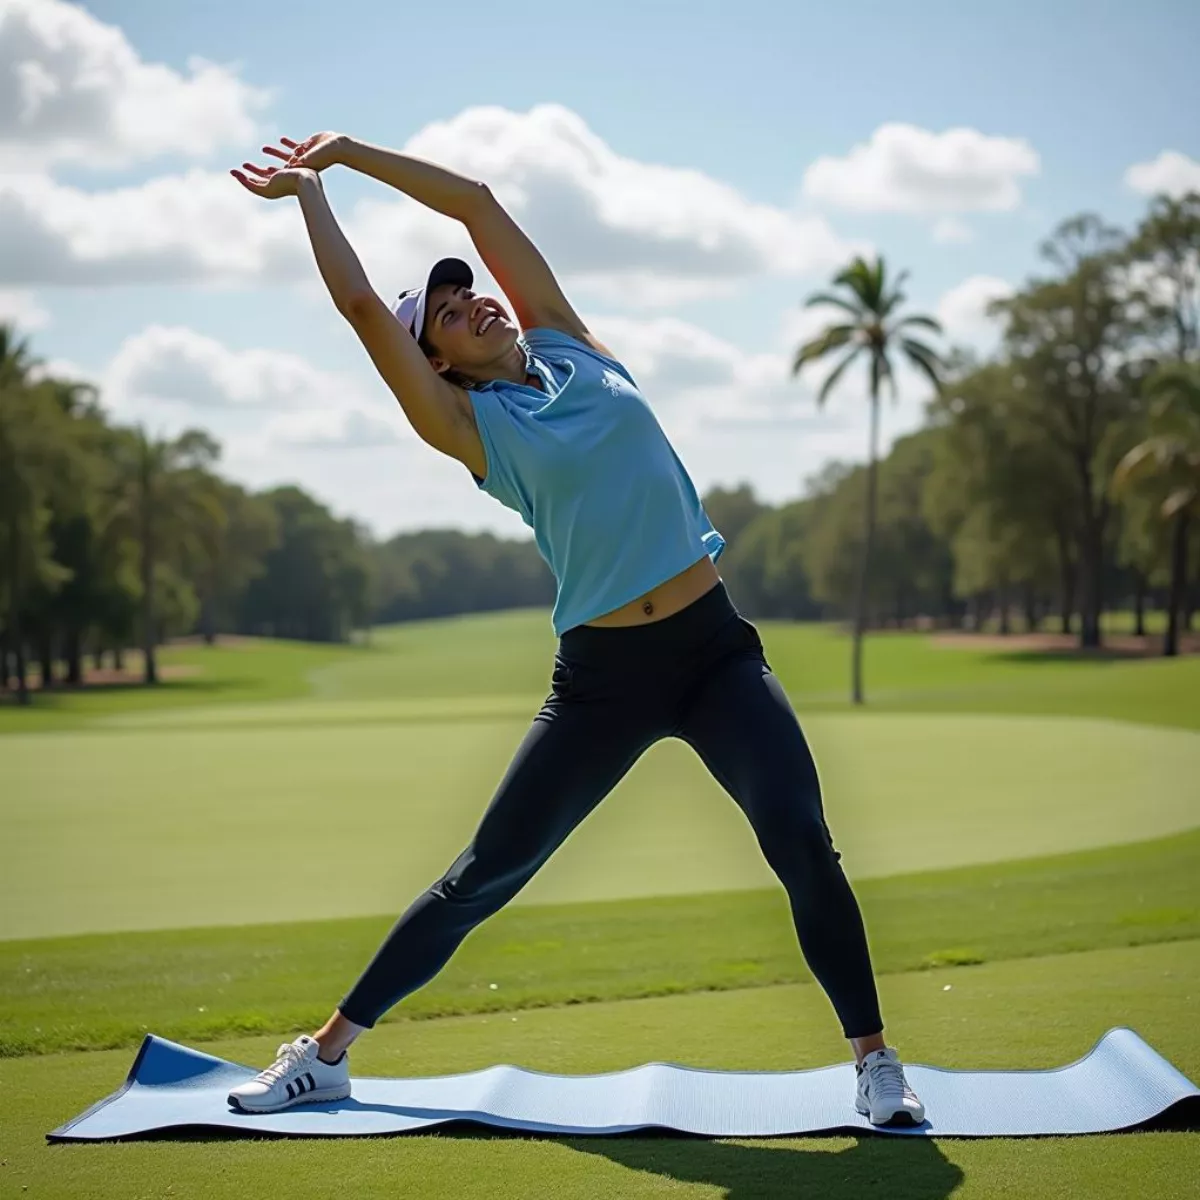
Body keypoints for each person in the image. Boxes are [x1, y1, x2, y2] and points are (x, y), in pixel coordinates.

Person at [225, 131, 924, 1127]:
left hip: (716, 653)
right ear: (439, 363)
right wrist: (309, 196)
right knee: (482, 873)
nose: (473, 301)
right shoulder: (467, 428)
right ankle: (327, 1055)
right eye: (449, 312)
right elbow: (356, 308)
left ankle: (876, 1063)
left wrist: (348, 153)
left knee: (803, 843)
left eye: (473, 292)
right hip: (604, 679)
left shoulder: (570, 343)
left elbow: (472, 198)